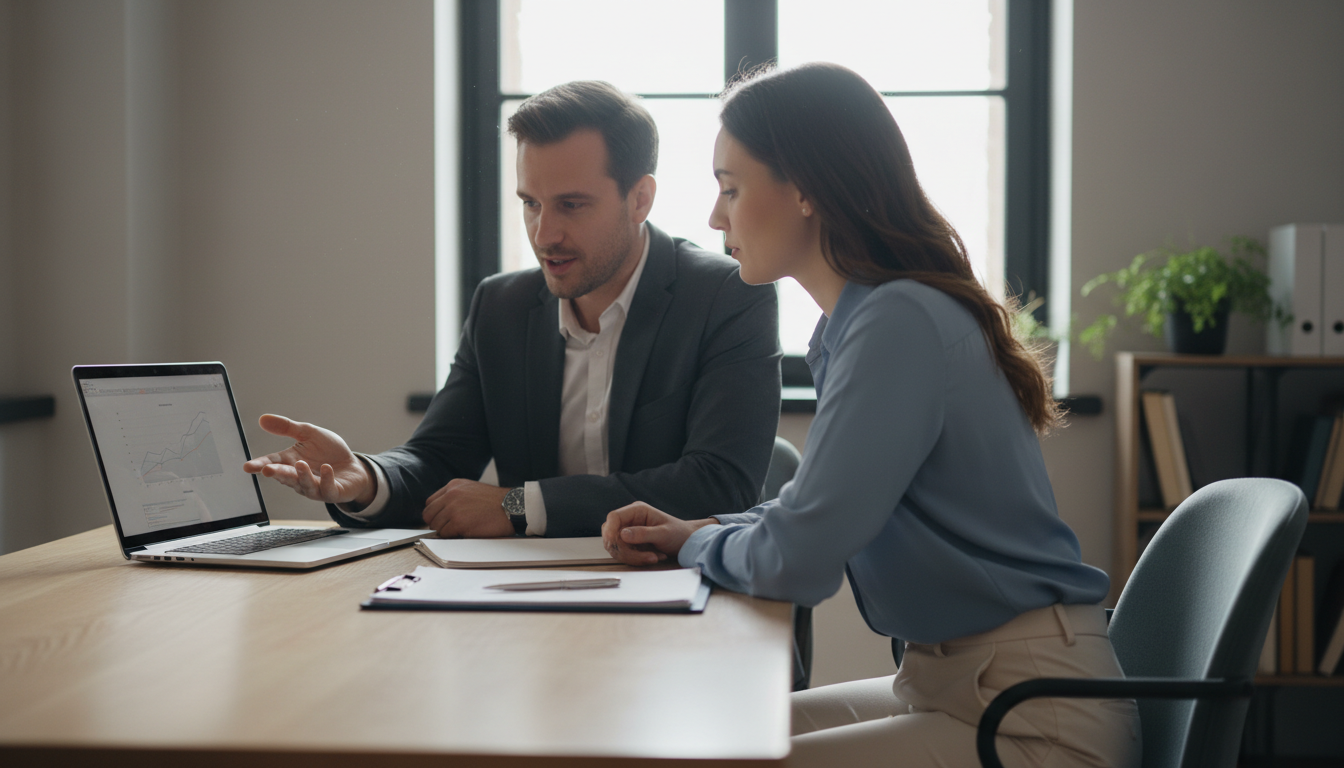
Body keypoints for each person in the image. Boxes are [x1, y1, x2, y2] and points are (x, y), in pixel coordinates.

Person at [600, 64, 1141, 768]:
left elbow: (799, 558)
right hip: (952, 684)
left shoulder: (895, 323)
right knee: (699, 734)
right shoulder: (866, 322)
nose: (714, 216)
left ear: (805, 190)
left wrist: (695, 546)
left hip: (1034, 718)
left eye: (730, 187)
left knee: (718, 754)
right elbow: (810, 512)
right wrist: (700, 530)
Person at [244, 80, 782, 539]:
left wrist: (517, 506)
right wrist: (363, 476)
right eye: (530, 203)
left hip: (681, 599)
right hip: (529, 603)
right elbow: (438, 459)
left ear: (640, 199)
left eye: (572, 204)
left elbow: (719, 483)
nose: (544, 234)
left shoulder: (726, 297)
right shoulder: (500, 306)